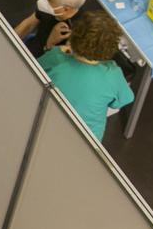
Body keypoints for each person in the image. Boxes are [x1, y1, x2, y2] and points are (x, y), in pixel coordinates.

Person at [38, 11, 134, 141]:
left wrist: (50, 46)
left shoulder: (56, 58)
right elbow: (122, 101)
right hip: (87, 140)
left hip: (47, 124)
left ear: (73, 37)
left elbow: (35, 72)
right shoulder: (112, 74)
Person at [14, 0, 88, 58]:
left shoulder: (77, 33)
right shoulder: (50, 8)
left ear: (65, 9)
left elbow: (52, 64)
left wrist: (50, 44)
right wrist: (10, 40)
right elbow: (29, 24)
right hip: (33, 43)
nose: (43, 0)